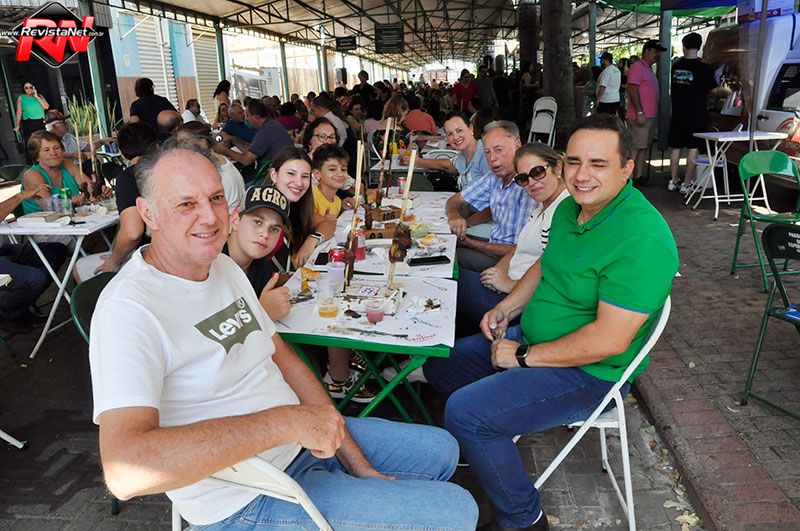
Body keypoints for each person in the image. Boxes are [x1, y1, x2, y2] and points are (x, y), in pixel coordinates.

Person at [88, 139, 478, 530]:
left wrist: (352, 458)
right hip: (245, 496)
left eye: (216, 198)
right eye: (186, 204)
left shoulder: (223, 268)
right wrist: (285, 423)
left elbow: (284, 359)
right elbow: (125, 473)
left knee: (443, 450)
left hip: (299, 444)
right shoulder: (129, 308)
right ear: (148, 213)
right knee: (457, 511)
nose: (209, 217)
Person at [424, 114, 679, 531]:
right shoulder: (571, 209)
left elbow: (609, 341)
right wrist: (507, 308)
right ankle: (482, 445)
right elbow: (545, 265)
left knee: (467, 413)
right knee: (441, 365)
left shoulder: (640, 238)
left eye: (598, 164)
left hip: (591, 373)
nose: (582, 175)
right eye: (574, 161)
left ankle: (524, 518)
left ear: (626, 168)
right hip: (535, 338)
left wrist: (524, 356)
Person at [457, 142, 570, 328]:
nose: (531, 182)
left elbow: (553, 273)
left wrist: (510, 284)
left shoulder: (564, 209)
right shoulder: (542, 207)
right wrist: (498, 272)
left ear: (557, 168)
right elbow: (518, 250)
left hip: (518, 305)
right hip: (504, 287)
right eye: (523, 178)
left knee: (449, 280)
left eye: (538, 172)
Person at [445, 121, 536, 271]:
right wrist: (454, 216)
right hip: (493, 246)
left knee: (448, 257)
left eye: (498, 150)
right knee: (443, 245)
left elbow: (522, 251)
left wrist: (473, 244)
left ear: (517, 145)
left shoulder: (529, 184)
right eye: (487, 152)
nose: (492, 158)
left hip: (513, 263)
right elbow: (455, 200)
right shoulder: (494, 177)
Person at [75, 122, 158, 281]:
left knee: (81, 267)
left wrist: (114, 261)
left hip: (154, 256)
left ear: (121, 153)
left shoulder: (129, 178)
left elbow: (132, 232)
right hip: (184, 247)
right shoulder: (169, 167)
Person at [0, 183, 67, 333]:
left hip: (4, 250)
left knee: (55, 250)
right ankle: (6, 312)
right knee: (34, 279)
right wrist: (20, 196)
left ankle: (20, 305)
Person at [223, 185, 292, 321]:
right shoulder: (209, 267)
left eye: (274, 229)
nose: (265, 234)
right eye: (258, 222)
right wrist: (261, 313)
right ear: (235, 220)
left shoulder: (261, 264)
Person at [667, 32, 718, 194]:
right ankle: (687, 183)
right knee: (693, 148)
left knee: (675, 147)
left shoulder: (676, 66)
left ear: (684, 46)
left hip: (678, 112)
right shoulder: (704, 68)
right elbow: (715, 89)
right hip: (696, 114)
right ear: (700, 46)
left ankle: (673, 180)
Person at [175, 123, 245, 214]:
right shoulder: (214, 159)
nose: (179, 147)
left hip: (228, 216)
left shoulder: (209, 168)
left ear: (201, 142)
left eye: (183, 142)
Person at [214, 99, 293, 179]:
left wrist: (225, 150)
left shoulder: (266, 130)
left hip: (274, 177)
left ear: (256, 117)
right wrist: (233, 139)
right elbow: (251, 149)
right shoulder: (270, 125)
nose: (246, 118)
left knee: (238, 181)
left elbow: (246, 160)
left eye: (247, 115)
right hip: (278, 171)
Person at [20, 131, 95, 214]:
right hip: (42, 220)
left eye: (56, 148)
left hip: (71, 217)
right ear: (36, 156)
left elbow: (90, 187)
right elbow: (49, 206)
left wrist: (98, 190)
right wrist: (72, 199)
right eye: (46, 150)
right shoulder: (32, 175)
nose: (53, 153)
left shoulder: (68, 164)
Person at [414, 111, 490, 191]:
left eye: (459, 130)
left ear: (471, 128)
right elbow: (448, 166)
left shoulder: (486, 153)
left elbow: (490, 191)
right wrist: (416, 161)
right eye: (450, 134)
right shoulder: (463, 156)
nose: (455, 137)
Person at [625, 40, 666, 186]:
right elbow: (632, 89)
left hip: (648, 115)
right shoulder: (638, 67)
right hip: (640, 115)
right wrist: (639, 111)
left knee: (643, 146)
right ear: (647, 51)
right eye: (655, 51)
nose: (658, 55)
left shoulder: (648, 69)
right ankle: (628, 178)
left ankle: (638, 176)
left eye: (659, 52)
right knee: (636, 147)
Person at [14, 81, 48, 150]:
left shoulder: (40, 96)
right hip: (28, 123)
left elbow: (46, 107)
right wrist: (17, 126)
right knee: (31, 143)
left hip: (40, 122)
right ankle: (32, 156)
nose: (28, 89)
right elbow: (19, 113)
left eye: (30, 87)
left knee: (42, 141)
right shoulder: (21, 97)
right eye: (26, 88)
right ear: (24, 89)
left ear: (34, 87)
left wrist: (36, 96)